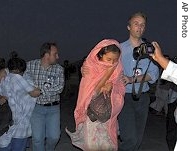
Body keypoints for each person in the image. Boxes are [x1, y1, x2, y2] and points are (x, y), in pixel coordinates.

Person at [0, 42, 65, 151]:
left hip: (53, 109)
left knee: (54, 137)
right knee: (37, 139)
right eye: (55, 54)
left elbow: (59, 87)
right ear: (46, 55)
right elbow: (16, 69)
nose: (58, 57)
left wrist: (40, 91)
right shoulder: (31, 65)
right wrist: (3, 70)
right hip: (36, 108)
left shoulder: (59, 69)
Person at [66, 39, 125, 151]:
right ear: (100, 54)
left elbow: (121, 89)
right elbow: (92, 94)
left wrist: (112, 85)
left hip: (108, 118)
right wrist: (108, 75)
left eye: (115, 60)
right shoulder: (90, 67)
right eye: (108, 59)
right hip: (92, 119)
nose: (112, 63)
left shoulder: (119, 69)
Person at [118, 12, 159, 151]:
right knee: (129, 137)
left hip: (143, 97)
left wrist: (132, 79)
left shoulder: (149, 50)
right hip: (125, 97)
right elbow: (103, 66)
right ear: (128, 27)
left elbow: (154, 74)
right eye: (136, 23)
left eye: (142, 25)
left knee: (138, 138)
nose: (139, 27)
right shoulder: (120, 49)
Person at [0, 57, 41, 151]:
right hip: (6, 123)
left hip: (20, 126)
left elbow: (33, 94)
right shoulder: (3, 79)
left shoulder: (27, 80)